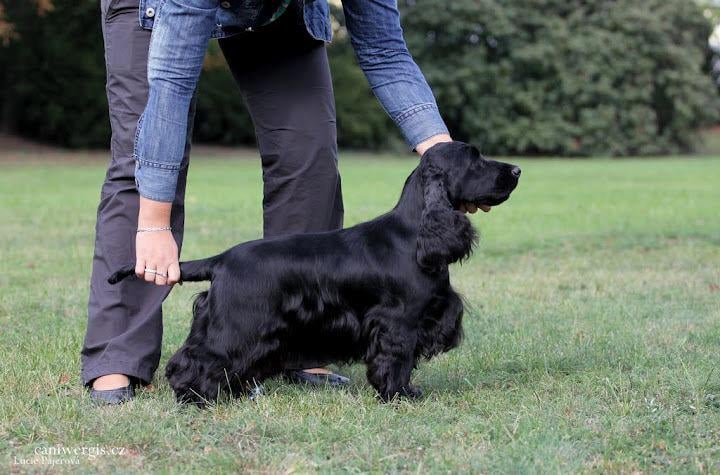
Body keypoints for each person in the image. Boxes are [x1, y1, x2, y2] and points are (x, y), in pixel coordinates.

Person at [82, 0, 486, 405]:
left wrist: (445, 164)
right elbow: (170, 84)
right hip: (158, 6)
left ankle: (302, 346)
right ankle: (116, 358)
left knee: (308, 154)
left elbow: (385, 51)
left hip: (280, 13)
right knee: (141, 157)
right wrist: (154, 223)